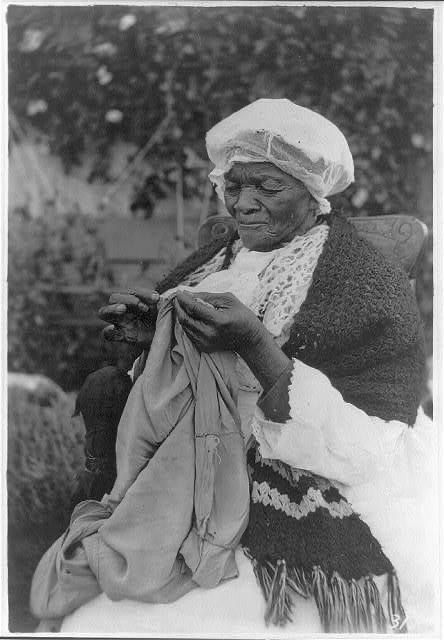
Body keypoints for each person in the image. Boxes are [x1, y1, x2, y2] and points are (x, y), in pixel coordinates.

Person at [59, 99, 438, 634]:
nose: (244, 204)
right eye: (233, 186)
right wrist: (156, 338)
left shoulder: (361, 279)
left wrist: (257, 344)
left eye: (268, 187)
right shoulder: (216, 260)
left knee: (194, 617)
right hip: (198, 452)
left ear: (312, 192)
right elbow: (175, 383)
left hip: (316, 459)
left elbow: (370, 439)